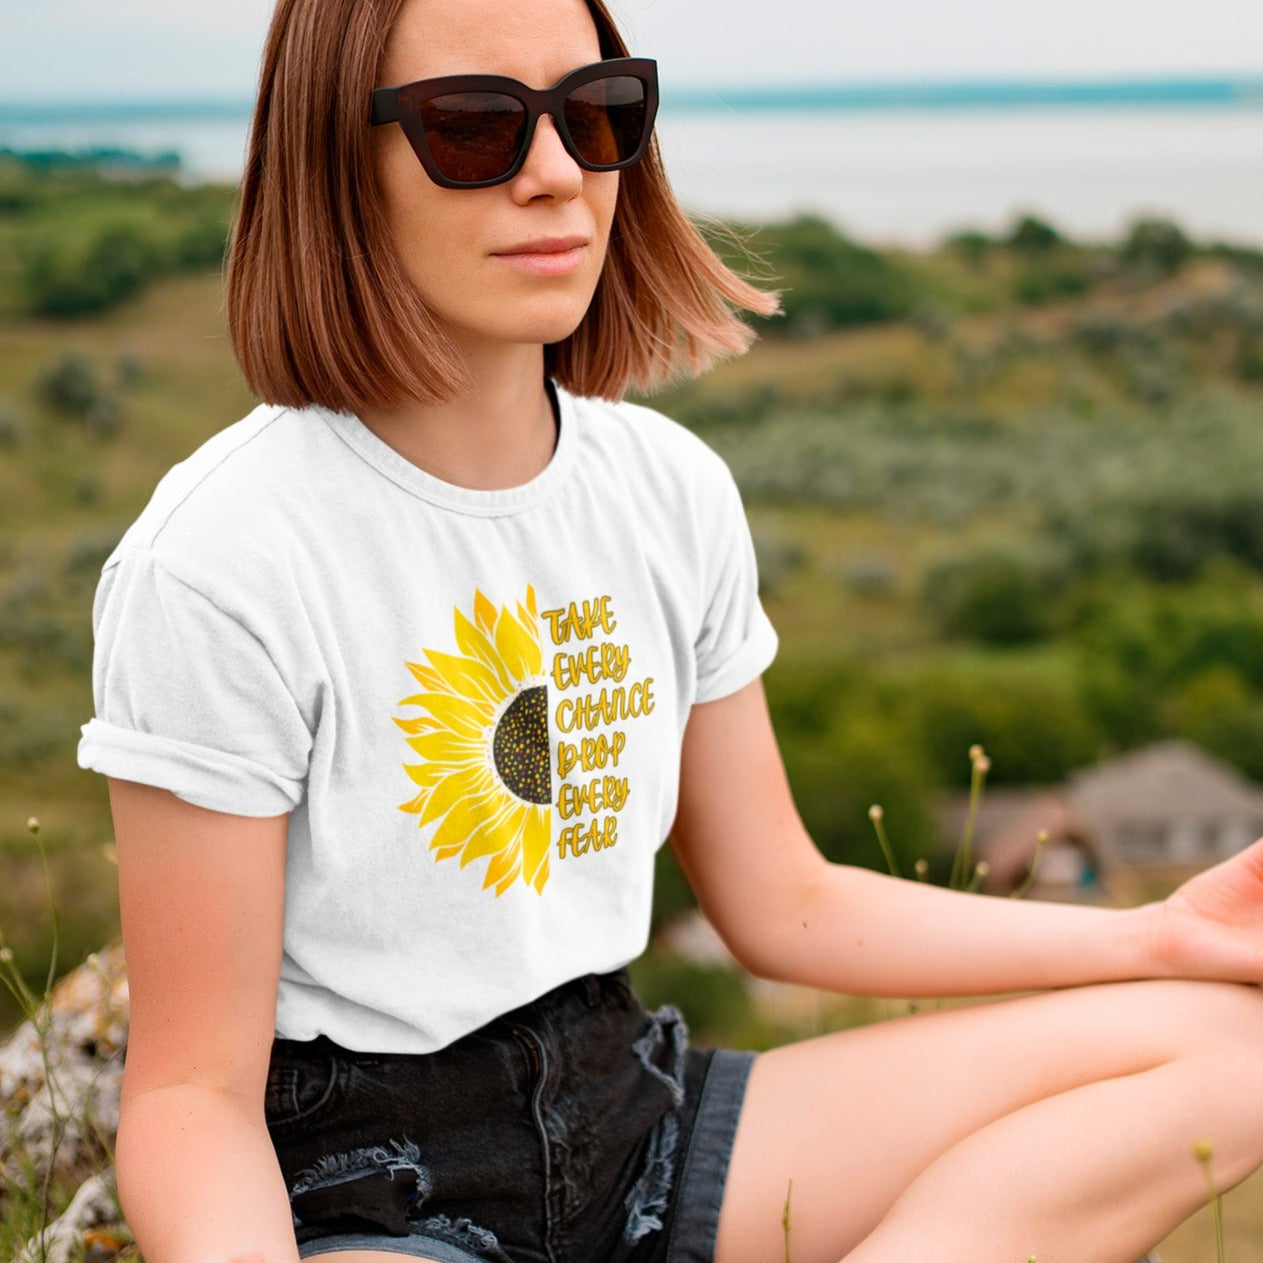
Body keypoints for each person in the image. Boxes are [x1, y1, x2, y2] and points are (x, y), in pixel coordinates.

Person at [76, 0, 1263, 1260]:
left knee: (1231, 1047)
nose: (554, 173)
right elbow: (191, 1096)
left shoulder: (666, 487)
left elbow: (784, 904)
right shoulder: (221, 558)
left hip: (634, 1110)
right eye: (473, 127)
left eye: (597, 112)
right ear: (335, 165)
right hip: (376, 1184)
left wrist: (1150, 937)